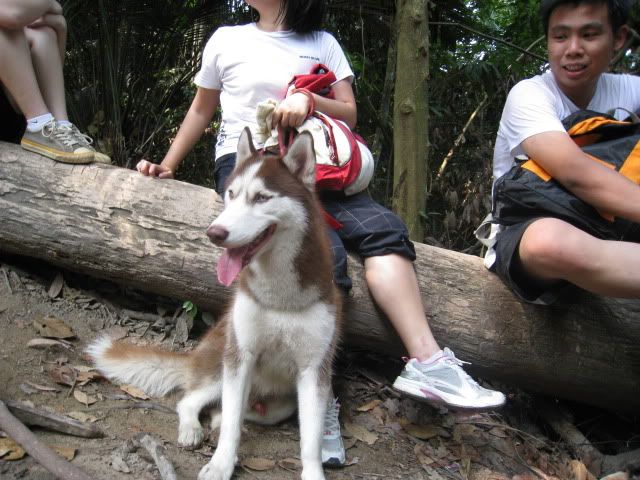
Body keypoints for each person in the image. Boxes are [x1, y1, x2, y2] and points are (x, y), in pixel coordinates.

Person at [136, 0, 506, 467]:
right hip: (250, 166)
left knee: (386, 231)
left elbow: (349, 112)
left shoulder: (323, 43)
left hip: (318, 163)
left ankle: (429, 362)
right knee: (325, 251)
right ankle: (321, 395)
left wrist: (309, 102)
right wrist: (168, 164)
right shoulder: (226, 39)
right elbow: (200, 109)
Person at [486, 0, 640, 305]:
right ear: (548, 41)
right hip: (531, 227)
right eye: (560, 36)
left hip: (611, 230)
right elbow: (576, 173)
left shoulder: (629, 90)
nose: (573, 49)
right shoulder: (530, 95)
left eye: (589, 35)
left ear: (618, 38)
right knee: (547, 243)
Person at [0, 0, 109, 164]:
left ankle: (61, 126)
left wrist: (60, 27)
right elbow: (13, 16)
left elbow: (40, 85)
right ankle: (39, 123)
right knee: (8, 26)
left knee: (41, 31)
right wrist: (48, 3)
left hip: (15, 118)